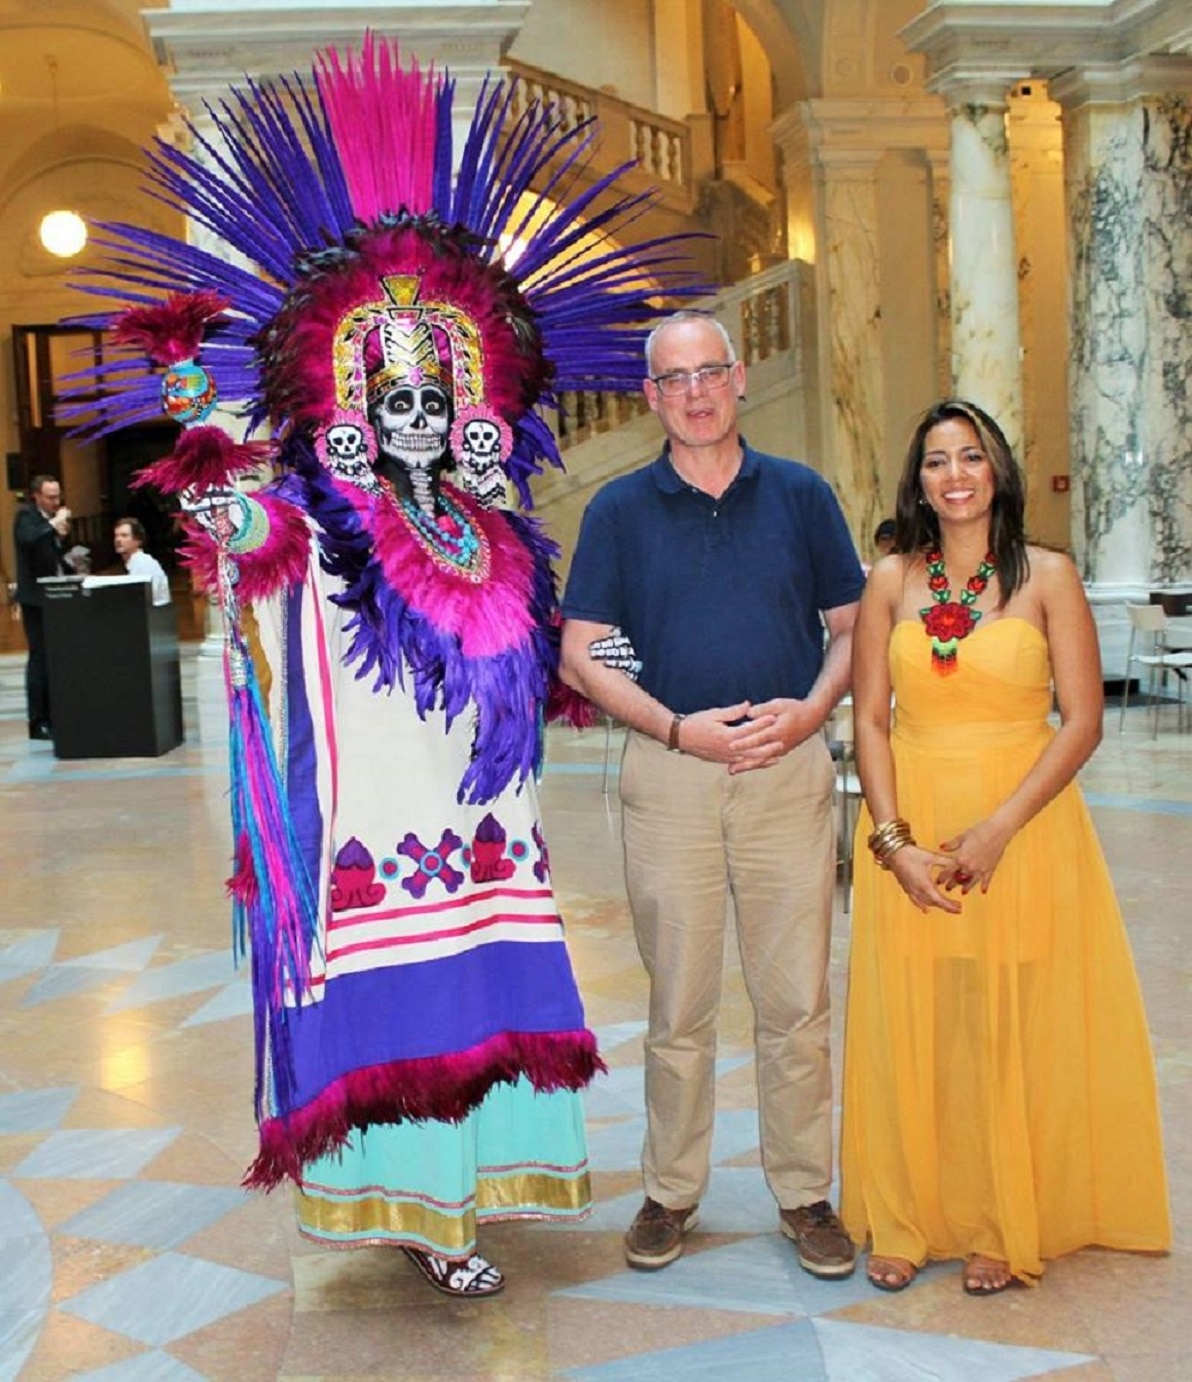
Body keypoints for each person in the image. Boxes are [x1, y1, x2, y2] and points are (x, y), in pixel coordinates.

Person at [64, 40, 703, 1300]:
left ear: (465, 396)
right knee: (407, 1011)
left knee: (483, 997)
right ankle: (425, 1211)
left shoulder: (496, 521)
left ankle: (479, 1191)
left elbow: (541, 646)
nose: (414, 411)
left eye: (435, 389)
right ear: (354, 398)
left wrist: (602, 658)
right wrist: (199, 418)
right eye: (389, 391)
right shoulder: (318, 509)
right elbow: (241, 534)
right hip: (377, 825)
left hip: (483, 824)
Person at [560, 309, 866, 1278]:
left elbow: (854, 626)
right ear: (649, 397)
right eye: (673, 378)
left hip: (786, 773)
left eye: (709, 371)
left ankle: (803, 1190)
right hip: (672, 773)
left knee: (796, 1001)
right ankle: (670, 1188)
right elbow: (579, 655)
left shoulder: (802, 495)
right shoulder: (616, 511)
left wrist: (812, 710)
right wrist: (669, 725)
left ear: (738, 379)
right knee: (678, 1001)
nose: (694, 391)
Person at [840, 398, 1170, 1295]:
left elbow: (1084, 721)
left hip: (1023, 830)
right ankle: (906, 1213)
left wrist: (996, 829)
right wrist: (895, 840)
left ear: (999, 472)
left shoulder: (1050, 577)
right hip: (911, 829)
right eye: (937, 461)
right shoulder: (889, 581)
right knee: (919, 1020)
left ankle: (997, 1217)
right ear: (918, 482)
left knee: (1005, 1021)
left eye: (972, 457)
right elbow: (869, 717)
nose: (955, 475)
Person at [13, 475, 71, 739]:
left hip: (55, 595)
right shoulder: (26, 516)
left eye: (57, 496)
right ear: (36, 495)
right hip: (35, 599)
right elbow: (29, 540)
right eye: (50, 497)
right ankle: (37, 721)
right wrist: (53, 525)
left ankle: (56, 714)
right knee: (39, 658)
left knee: (55, 656)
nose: (55, 502)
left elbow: (51, 555)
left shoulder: (49, 521)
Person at [113, 517, 171, 605]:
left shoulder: (145, 563)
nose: (118, 540)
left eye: (124, 535)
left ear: (138, 540)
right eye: (116, 536)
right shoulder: (134, 562)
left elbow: (144, 599)